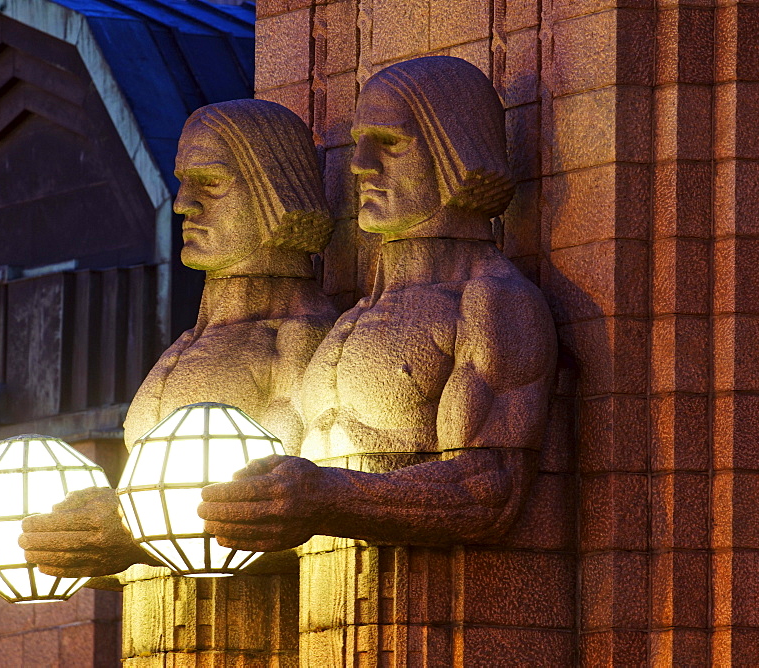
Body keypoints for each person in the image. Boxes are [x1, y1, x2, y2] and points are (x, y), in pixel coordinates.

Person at [198, 56, 557, 553]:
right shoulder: (350, 318)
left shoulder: (494, 301)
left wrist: (329, 497)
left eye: (390, 143)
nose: (360, 163)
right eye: (361, 143)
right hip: (322, 610)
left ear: (458, 150)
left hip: (437, 614)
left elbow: (488, 490)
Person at [18, 98, 338, 578]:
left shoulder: (300, 337)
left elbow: (288, 513)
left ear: (275, 191)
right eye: (184, 181)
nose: (183, 202)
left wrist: (126, 532)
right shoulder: (187, 345)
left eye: (210, 182)